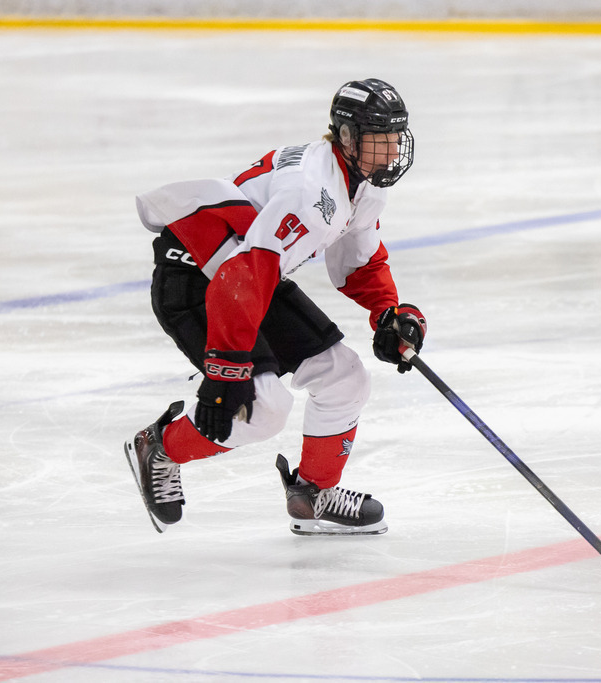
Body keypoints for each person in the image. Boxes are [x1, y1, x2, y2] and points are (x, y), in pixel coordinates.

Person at [124, 78, 427, 537]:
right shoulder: (311, 193)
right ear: (346, 138)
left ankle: (311, 494)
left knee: (344, 378)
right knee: (261, 408)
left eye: (394, 139)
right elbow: (243, 276)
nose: (390, 152)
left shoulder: (361, 185)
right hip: (195, 276)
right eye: (378, 140)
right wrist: (226, 371)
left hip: (243, 275)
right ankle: (159, 447)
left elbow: (358, 263)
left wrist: (389, 313)